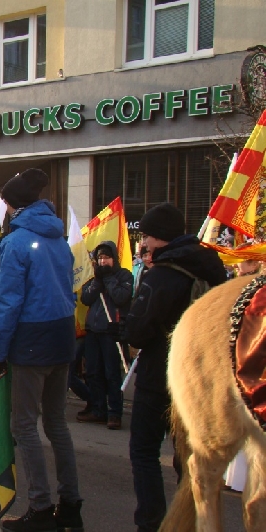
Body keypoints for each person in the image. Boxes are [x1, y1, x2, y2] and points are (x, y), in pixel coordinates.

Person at [125, 203, 226, 532]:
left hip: (161, 376)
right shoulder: (213, 271)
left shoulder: (162, 276)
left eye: (147, 236)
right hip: (203, 377)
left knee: (144, 451)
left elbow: (138, 331)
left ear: (161, 237)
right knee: (190, 457)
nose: (144, 243)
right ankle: (193, 521)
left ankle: (151, 523)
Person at [0, 169, 83, 532]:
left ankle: (41, 508)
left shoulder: (15, 243)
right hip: (62, 335)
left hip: (32, 339)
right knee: (57, 423)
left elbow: (9, 303)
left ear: (13, 206)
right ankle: (71, 505)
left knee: (24, 425)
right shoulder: (58, 237)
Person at [78, 241, 133, 429]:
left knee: (112, 373)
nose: (103, 261)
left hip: (111, 331)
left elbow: (121, 297)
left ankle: (115, 412)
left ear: (114, 258)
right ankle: (98, 409)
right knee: (93, 372)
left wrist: (108, 278)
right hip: (93, 331)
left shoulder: (124, 275)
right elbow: (86, 298)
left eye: (106, 257)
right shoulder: (95, 277)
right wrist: (97, 281)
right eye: (100, 258)